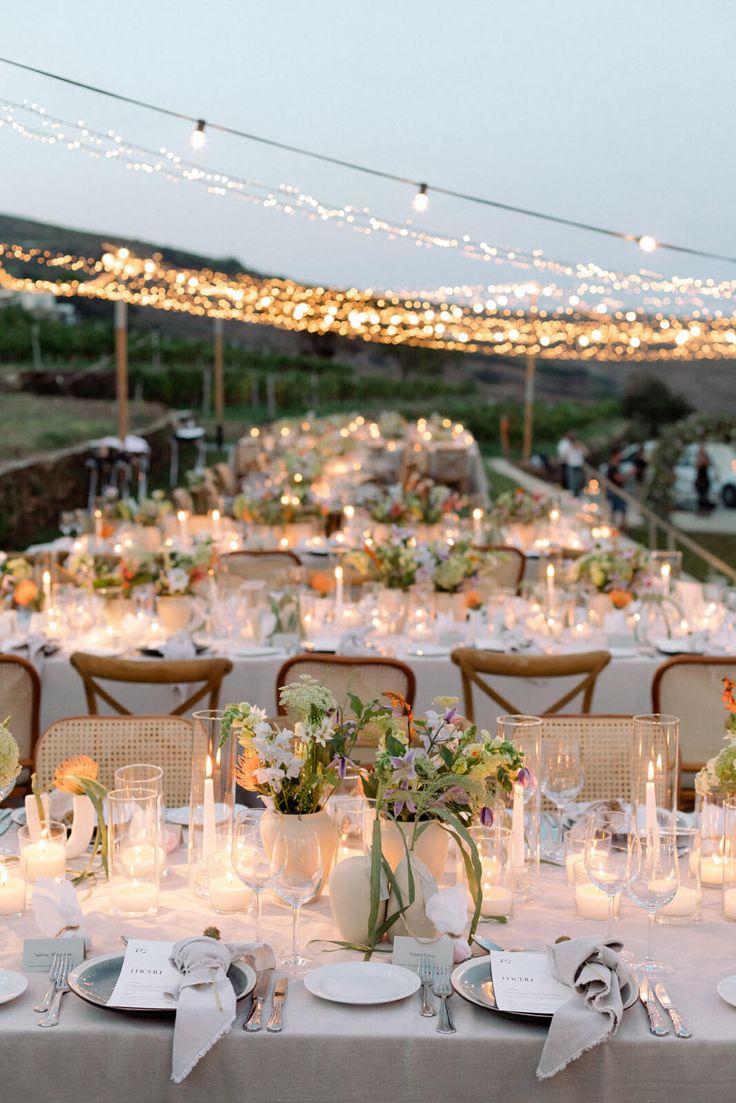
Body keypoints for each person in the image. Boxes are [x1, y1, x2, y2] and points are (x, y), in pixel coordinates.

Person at [606, 445, 627, 527]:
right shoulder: (612, 466)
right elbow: (619, 478)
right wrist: (628, 475)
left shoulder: (615, 465)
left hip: (616, 490)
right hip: (614, 491)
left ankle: (618, 524)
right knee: (620, 508)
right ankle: (620, 525)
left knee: (617, 509)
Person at [695, 445, 714, 514]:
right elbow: (697, 466)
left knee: (705, 496)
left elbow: (707, 464)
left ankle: (705, 509)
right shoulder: (698, 458)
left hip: (704, 479)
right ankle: (702, 509)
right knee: (700, 496)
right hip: (699, 479)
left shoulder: (706, 458)